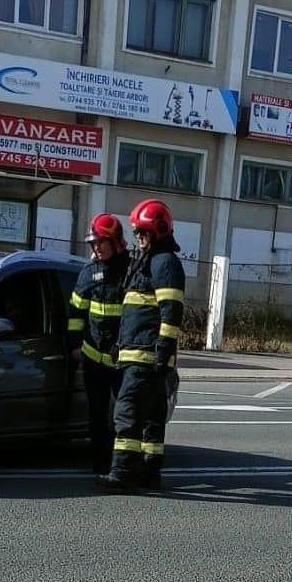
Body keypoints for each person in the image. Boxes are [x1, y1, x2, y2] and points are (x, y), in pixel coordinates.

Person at [100, 199, 185, 491]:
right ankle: (150, 472)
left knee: (127, 414)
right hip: (142, 354)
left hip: (145, 358)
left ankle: (122, 474)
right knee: (152, 419)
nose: (138, 237)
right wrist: (119, 344)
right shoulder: (150, 262)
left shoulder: (164, 263)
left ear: (158, 231)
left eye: (142, 232)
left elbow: (171, 312)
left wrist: (163, 349)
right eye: (136, 232)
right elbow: (137, 312)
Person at [67, 213, 131, 475]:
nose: (96, 248)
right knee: (97, 413)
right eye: (93, 243)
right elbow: (76, 313)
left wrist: (124, 344)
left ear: (115, 241)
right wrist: (75, 346)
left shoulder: (131, 271)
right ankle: (100, 462)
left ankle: (123, 464)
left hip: (123, 359)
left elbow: (136, 315)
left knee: (125, 414)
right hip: (94, 359)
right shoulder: (88, 273)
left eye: (100, 242)